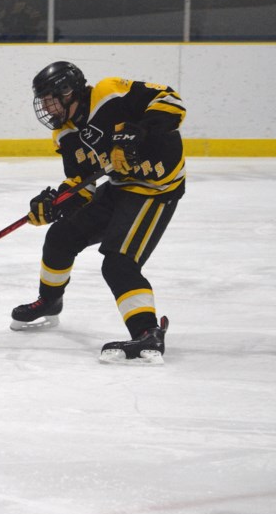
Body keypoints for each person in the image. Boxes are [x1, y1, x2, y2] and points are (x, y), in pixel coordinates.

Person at [11, 61, 186, 365]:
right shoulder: (65, 134)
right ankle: (50, 301)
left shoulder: (108, 93)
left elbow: (172, 102)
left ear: (69, 92)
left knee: (118, 263)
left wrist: (136, 131)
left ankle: (147, 332)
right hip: (120, 187)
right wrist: (54, 203)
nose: (48, 109)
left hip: (154, 190)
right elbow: (82, 183)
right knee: (61, 236)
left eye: (51, 100)